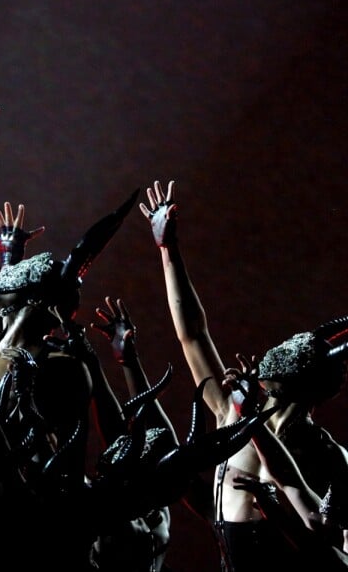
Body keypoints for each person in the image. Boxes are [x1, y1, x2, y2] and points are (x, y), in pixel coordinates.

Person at [140, 178, 348, 572]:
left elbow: (330, 537)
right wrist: (168, 252)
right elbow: (193, 336)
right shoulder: (232, 412)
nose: (279, 349)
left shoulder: (320, 451)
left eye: (294, 351)